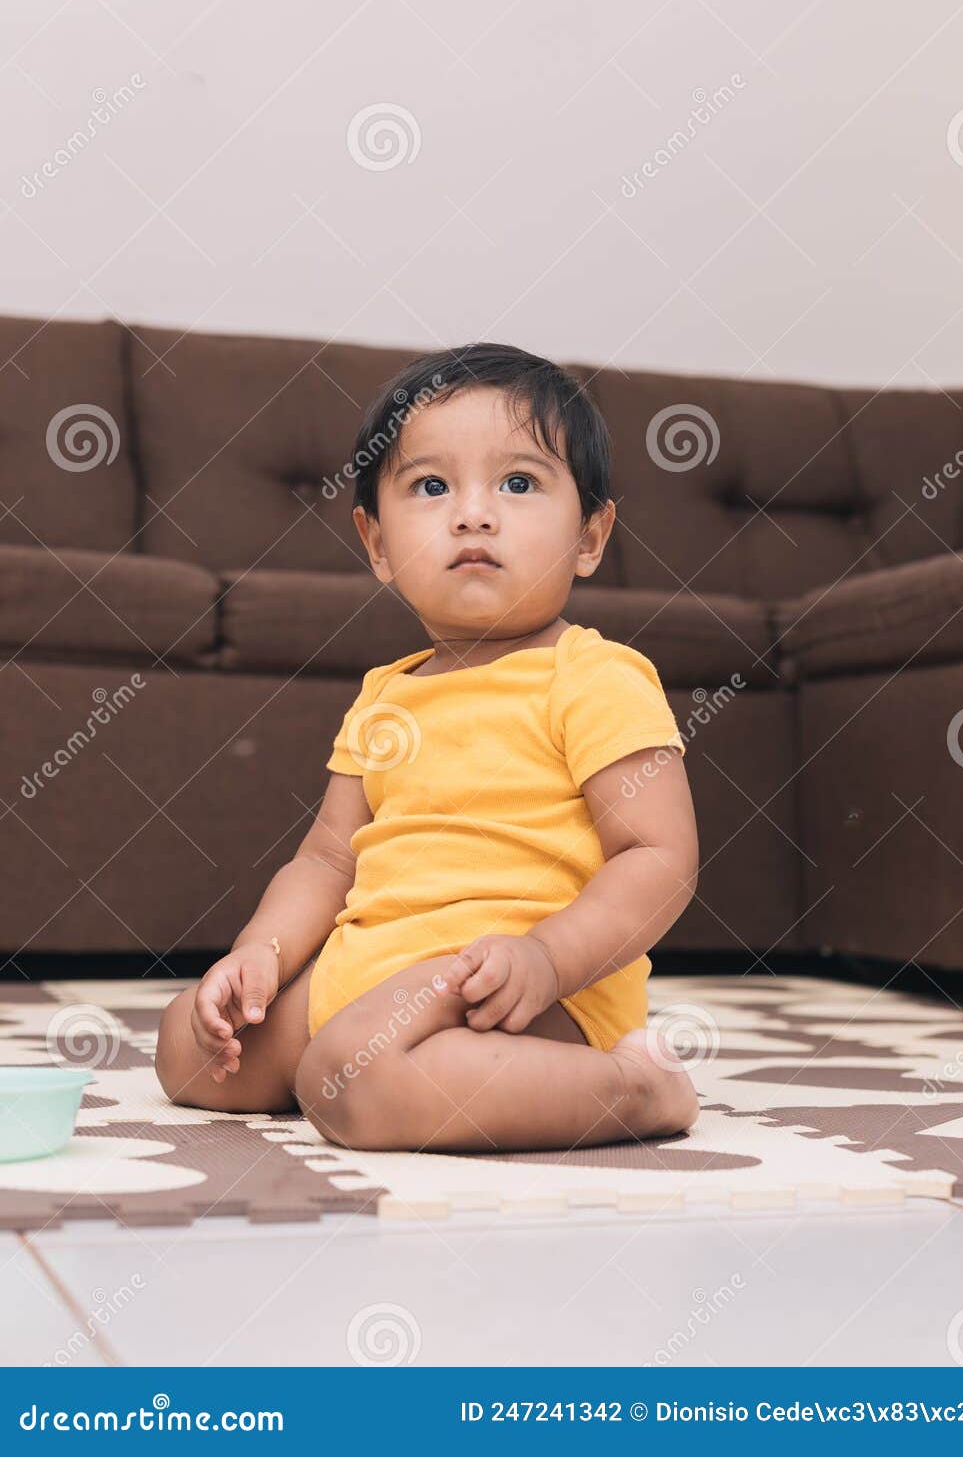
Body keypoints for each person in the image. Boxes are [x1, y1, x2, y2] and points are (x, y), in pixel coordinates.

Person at [155, 343, 701, 1152]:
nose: (472, 513)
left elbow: (659, 858)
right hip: (372, 968)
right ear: (376, 545)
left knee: (352, 1081)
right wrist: (258, 956)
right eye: (431, 486)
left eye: (518, 483)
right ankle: (371, 1057)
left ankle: (635, 1088)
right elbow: (326, 863)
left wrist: (546, 959)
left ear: (590, 536)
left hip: (515, 985)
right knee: (190, 1050)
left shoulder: (593, 676)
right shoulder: (386, 693)